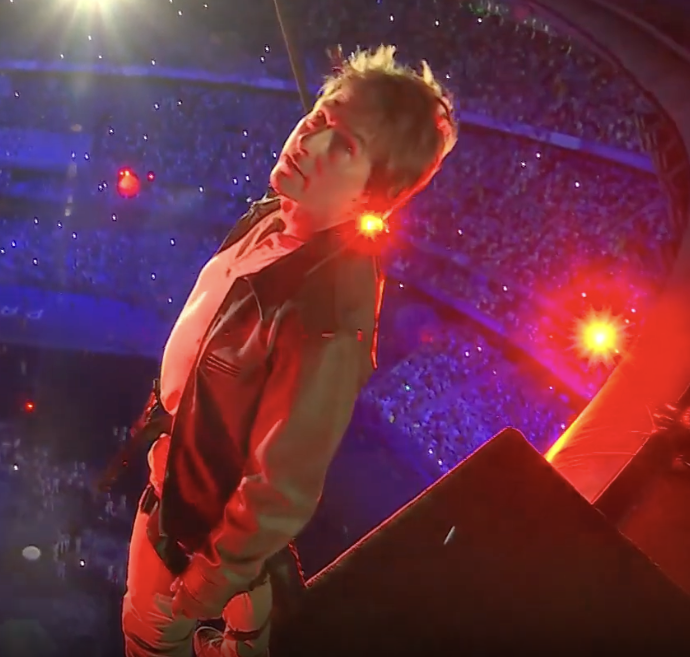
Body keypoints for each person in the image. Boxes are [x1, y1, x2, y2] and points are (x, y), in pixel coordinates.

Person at [121, 46, 457, 657]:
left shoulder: (326, 316)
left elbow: (281, 484)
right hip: (192, 476)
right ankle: (250, 629)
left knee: (148, 634)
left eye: (345, 146)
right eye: (322, 117)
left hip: (194, 519)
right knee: (245, 591)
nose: (310, 139)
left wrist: (203, 586)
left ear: (370, 197)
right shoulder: (273, 216)